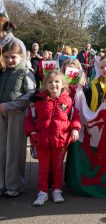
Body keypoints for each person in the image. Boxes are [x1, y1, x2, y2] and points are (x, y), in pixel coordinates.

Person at [24, 71, 81, 206]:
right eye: (50, 82)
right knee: (43, 168)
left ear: (62, 84)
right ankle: (42, 192)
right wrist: (32, 133)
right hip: (42, 140)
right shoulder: (37, 100)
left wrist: (75, 129)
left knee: (57, 167)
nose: (53, 84)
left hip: (60, 141)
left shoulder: (68, 100)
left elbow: (75, 116)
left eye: (57, 82)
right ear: (45, 85)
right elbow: (29, 118)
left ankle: (57, 190)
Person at [0, 41, 36, 197]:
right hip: (2, 114)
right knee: (1, 150)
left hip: (17, 114)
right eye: (6, 57)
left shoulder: (26, 71)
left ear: (21, 56)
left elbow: (31, 94)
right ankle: (2, 184)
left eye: (13, 57)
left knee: (14, 150)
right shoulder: (3, 71)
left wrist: (11, 105)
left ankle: (14, 186)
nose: (9, 60)